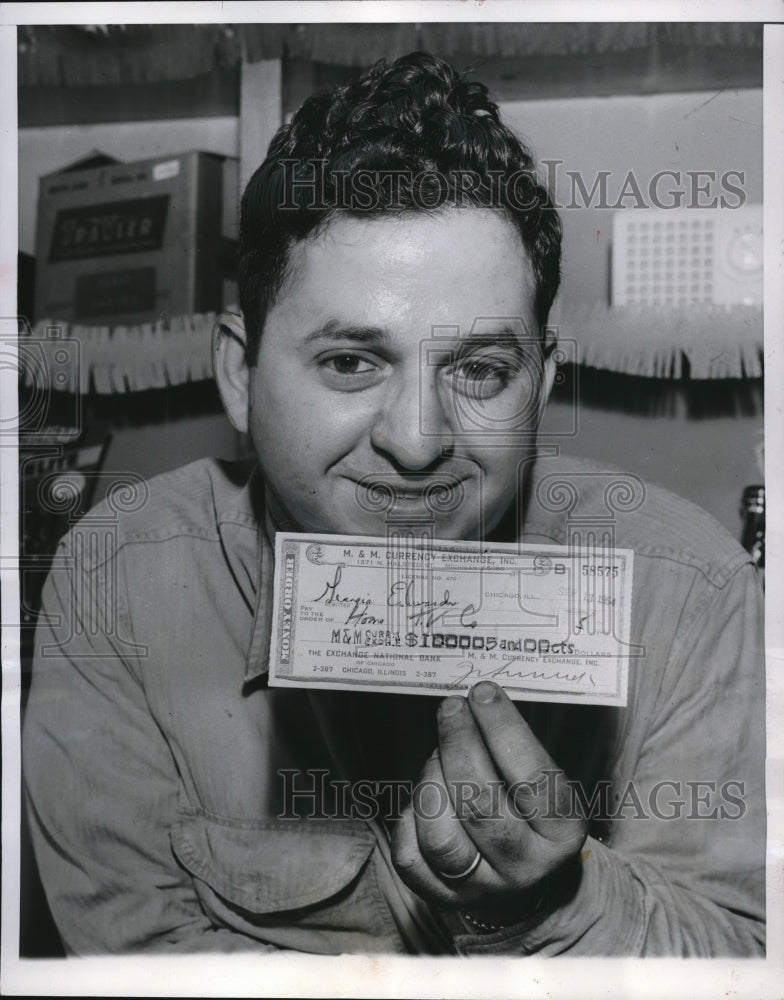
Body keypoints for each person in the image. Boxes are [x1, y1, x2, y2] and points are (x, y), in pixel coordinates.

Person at [23, 52, 765, 957]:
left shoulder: (691, 590)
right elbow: (134, 956)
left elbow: (737, 955)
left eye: (481, 370)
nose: (417, 443)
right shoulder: (117, 580)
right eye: (350, 362)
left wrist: (549, 910)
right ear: (239, 374)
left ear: (540, 385)